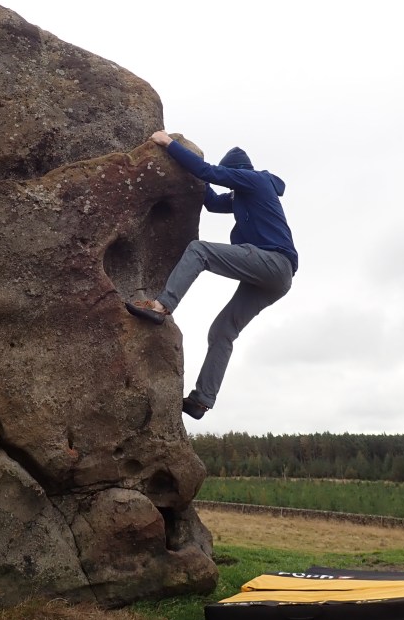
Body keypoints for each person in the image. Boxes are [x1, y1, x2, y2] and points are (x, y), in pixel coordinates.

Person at [126, 130, 298, 419]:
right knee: (222, 331)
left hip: (274, 263)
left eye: (231, 177)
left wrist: (170, 145)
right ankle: (202, 400)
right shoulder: (243, 196)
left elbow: (210, 172)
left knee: (200, 251)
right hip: (275, 279)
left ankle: (161, 306)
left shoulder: (254, 181)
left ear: (237, 172)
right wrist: (193, 174)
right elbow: (213, 202)